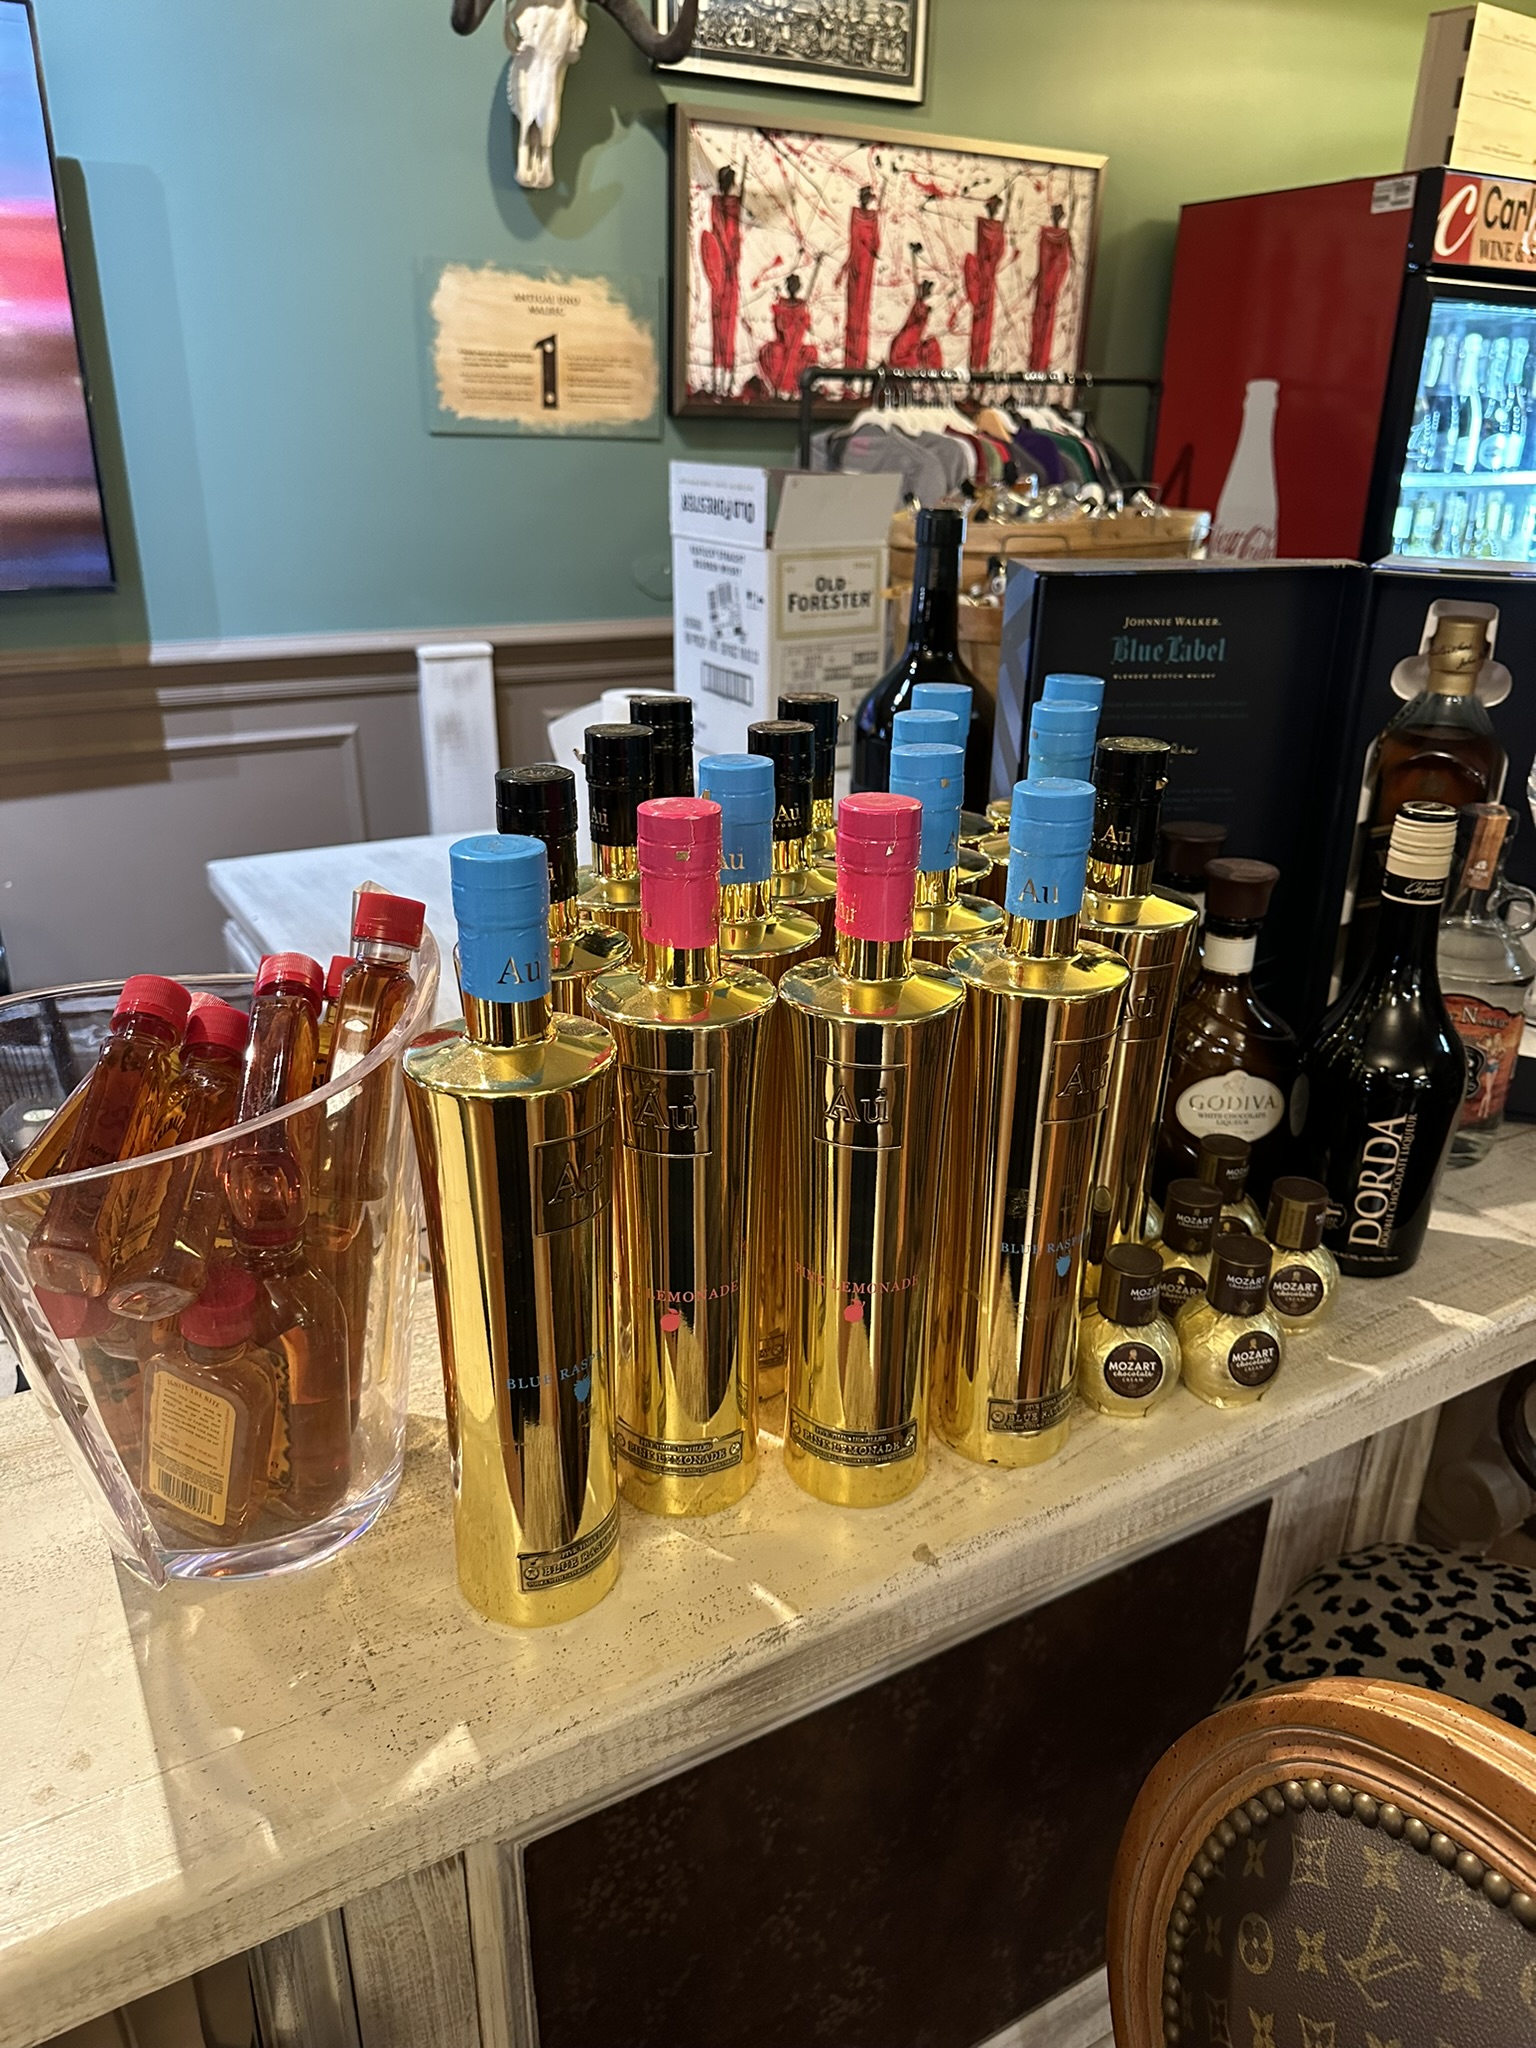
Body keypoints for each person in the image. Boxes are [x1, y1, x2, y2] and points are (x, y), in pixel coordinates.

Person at [699, 165, 743, 397]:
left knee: (728, 326)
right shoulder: (719, 206)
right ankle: (719, 380)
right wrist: (729, 258)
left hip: (730, 275)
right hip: (722, 275)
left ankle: (726, 380)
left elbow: (734, 240)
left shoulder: (732, 205)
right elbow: (723, 239)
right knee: (720, 327)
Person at [838, 185, 881, 370]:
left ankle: (860, 360)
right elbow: (853, 243)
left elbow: (876, 243)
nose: (866, 200)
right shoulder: (856, 215)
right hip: (856, 268)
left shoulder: (873, 218)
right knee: (853, 315)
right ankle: (850, 362)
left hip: (866, 269)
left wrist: (872, 245)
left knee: (862, 315)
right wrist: (847, 266)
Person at [963, 194, 1007, 374]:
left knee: (986, 325)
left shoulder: (997, 228)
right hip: (982, 280)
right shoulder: (984, 226)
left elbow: (999, 252)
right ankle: (975, 365)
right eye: (994, 206)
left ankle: (980, 366)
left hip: (988, 282)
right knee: (980, 323)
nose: (995, 209)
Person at [1029, 201, 1074, 373]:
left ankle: (1039, 364)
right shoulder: (1050, 235)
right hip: (1046, 289)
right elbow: (1046, 263)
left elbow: (1062, 264)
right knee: (1039, 323)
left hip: (1049, 290)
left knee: (1044, 324)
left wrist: (1052, 283)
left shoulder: (1059, 237)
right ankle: (1036, 364)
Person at [757, 274, 818, 396]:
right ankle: (778, 388)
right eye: (791, 284)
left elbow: (807, 327)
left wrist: (802, 320)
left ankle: (797, 389)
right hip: (783, 345)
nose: (793, 287)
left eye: (795, 285)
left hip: (797, 346)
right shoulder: (780, 306)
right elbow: (779, 327)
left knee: (811, 352)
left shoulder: (802, 307)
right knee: (772, 352)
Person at [889, 275, 943, 372]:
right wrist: (921, 304)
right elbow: (913, 327)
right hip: (904, 360)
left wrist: (921, 303)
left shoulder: (904, 351)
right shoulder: (905, 351)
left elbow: (913, 327)